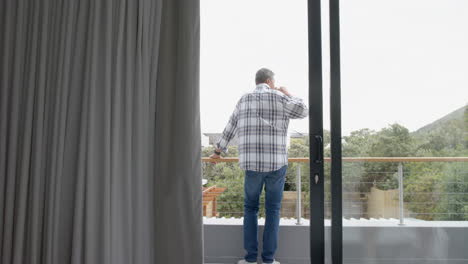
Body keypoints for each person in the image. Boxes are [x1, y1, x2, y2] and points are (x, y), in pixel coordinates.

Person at [209, 68, 308, 264]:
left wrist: (218, 151)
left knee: (250, 208)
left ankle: (251, 259)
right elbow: (304, 110)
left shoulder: (244, 99)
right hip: (276, 164)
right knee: (273, 210)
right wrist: (287, 93)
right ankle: (269, 259)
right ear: (270, 81)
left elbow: (230, 126)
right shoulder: (281, 97)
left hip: (252, 164)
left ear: (257, 82)